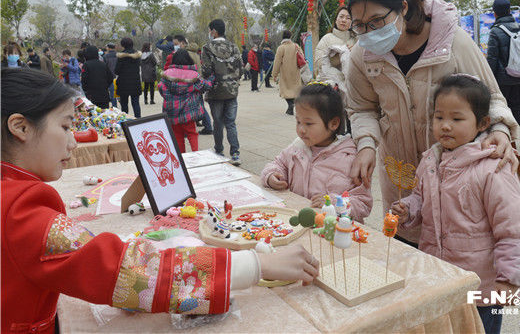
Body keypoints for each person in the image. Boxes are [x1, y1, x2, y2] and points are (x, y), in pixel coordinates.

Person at [0, 68, 320, 333]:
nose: (72, 142)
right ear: (21, 127)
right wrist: (259, 264)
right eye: (66, 126)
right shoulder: (19, 211)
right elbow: (129, 272)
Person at [345, 0, 518, 246]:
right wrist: (366, 145)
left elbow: (492, 97)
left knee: (455, 244)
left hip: (455, 172)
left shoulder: (451, 42)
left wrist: (499, 129)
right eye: (359, 25)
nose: (368, 33)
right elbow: (362, 108)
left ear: (402, 7)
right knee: (406, 241)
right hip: (399, 172)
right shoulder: (361, 57)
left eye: (377, 21)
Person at [392, 75, 520, 334]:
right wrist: (408, 209)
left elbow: (512, 228)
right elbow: (421, 199)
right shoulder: (430, 161)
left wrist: (510, 279)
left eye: (456, 119)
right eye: (439, 117)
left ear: (482, 123)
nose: (445, 126)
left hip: (480, 287)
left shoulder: (493, 168)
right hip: (438, 277)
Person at [261, 82, 373, 222]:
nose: (301, 129)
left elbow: (363, 203)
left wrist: (332, 204)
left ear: (333, 123)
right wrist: (271, 176)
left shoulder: (350, 159)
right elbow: (278, 164)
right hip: (298, 225)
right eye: (298, 122)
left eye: (308, 123)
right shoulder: (297, 148)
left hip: (331, 234)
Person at [487, 0, 520, 150]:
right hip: (518, 75)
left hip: (501, 78)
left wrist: (489, 79)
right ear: (510, 10)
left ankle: (503, 141)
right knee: (516, 104)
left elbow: (492, 58)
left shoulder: (496, 31)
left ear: (495, 13)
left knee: (498, 108)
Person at [201, 19, 243, 166]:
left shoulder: (207, 48)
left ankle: (219, 151)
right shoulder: (233, 46)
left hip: (216, 91)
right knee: (231, 123)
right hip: (232, 91)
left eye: (209, 31)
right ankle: (235, 154)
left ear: (213, 31)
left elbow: (206, 71)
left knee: (218, 122)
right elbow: (241, 68)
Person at [158, 49, 213, 153]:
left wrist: (170, 99)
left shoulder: (166, 74)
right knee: (192, 133)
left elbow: (161, 87)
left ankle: (183, 158)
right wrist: (211, 79)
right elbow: (204, 86)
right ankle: (195, 154)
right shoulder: (193, 75)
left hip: (172, 111)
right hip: (189, 112)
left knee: (177, 135)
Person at [314, 5, 357, 76]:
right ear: (336, 20)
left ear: (351, 22)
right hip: (331, 83)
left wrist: (356, 52)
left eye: (348, 18)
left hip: (353, 82)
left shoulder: (356, 40)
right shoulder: (326, 39)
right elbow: (318, 63)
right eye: (341, 16)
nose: (343, 20)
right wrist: (338, 58)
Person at [273, 30, 303, 116]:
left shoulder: (281, 48)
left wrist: (274, 74)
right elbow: (302, 57)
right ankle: (292, 105)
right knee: (294, 90)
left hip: (285, 72)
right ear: (290, 36)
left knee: (285, 90)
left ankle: (290, 105)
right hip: (296, 71)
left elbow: (277, 62)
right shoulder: (296, 46)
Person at [115, 37, 142, 118]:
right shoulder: (137, 56)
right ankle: (138, 120)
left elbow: (117, 71)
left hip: (123, 83)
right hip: (135, 82)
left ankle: (125, 121)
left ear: (123, 45)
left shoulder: (121, 56)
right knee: (136, 103)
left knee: (124, 104)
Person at [103, 43, 119, 108]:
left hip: (110, 76)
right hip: (118, 75)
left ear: (108, 48)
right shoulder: (118, 55)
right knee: (119, 91)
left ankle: (114, 106)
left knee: (112, 92)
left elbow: (104, 67)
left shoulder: (105, 56)